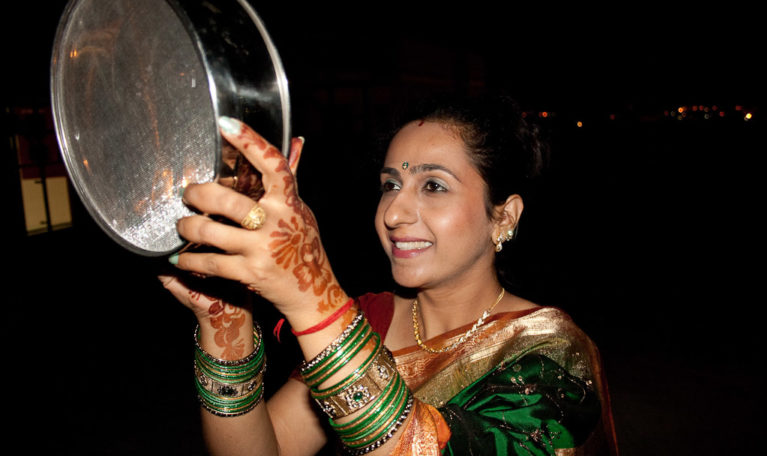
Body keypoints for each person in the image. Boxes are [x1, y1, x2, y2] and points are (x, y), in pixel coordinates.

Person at [160, 95, 618, 455]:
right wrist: (227, 326)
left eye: (433, 186)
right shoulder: (366, 321)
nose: (394, 213)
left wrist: (312, 297)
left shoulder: (550, 352)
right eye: (390, 185)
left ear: (504, 216)